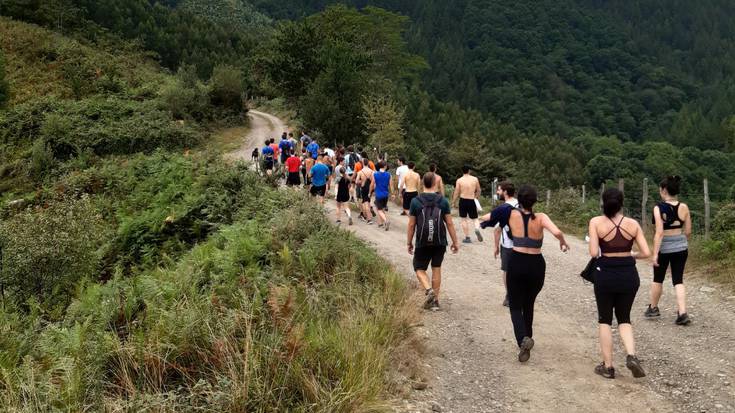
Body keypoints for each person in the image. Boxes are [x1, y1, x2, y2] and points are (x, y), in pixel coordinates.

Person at [589, 188, 650, 379]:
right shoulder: (633, 224)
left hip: (605, 274)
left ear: (603, 202)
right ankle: (632, 356)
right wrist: (632, 254)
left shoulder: (596, 222)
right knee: (624, 318)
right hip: (629, 274)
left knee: (605, 320)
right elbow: (647, 252)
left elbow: (592, 253)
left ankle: (608, 367)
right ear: (621, 203)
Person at [407, 172, 460, 311]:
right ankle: (435, 301)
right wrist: (455, 242)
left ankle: (428, 289)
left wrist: (409, 242)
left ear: (422, 183)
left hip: (422, 241)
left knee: (419, 268)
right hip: (439, 241)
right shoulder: (442, 201)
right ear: (435, 183)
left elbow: (411, 225)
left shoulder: (415, 201)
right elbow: (449, 223)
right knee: (436, 268)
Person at [645, 176, 692, 325]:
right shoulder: (684, 207)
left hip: (664, 247)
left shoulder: (658, 208)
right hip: (681, 246)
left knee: (658, 278)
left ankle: (653, 308)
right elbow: (688, 231)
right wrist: (680, 241)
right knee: (678, 280)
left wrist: (655, 254)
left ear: (664, 190)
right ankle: (682, 312)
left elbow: (658, 233)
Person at [492, 181, 518, 307]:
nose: (497, 192)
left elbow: (497, 230)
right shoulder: (521, 203)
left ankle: (509, 296)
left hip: (508, 244)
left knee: (507, 270)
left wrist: (496, 246)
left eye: (499, 190)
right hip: (522, 243)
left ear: (505, 192)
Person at [452, 165, 483, 243]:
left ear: (462, 171)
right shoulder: (475, 179)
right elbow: (479, 190)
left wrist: (453, 202)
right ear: (469, 170)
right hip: (471, 200)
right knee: (475, 218)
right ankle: (476, 229)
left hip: (463, 200)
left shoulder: (459, 180)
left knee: (463, 219)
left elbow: (456, 192)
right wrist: (476, 197)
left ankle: (467, 237)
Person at [371, 160, 393, 231]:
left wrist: (370, 192)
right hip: (386, 194)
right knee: (383, 209)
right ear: (385, 166)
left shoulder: (375, 174)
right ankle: (381, 223)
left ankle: (386, 221)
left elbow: (372, 184)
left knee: (379, 210)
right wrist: (392, 193)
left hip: (378, 194)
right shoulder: (389, 174)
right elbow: (391, 185)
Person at [355, 157, 375, 224]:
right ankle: (367, 215)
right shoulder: (372, 171)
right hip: (371, 188)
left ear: (363, 163)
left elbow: (356, 181)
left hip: (364, 188)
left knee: (365, 202)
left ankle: (368, 219)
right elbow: (373, 181)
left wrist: (362, 181)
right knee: (367, 201)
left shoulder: (360, 172)